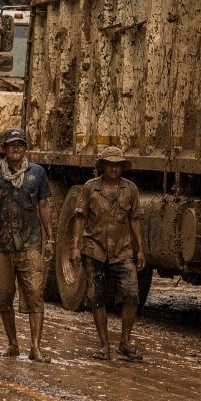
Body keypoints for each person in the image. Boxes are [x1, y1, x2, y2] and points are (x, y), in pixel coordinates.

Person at [0, 127, 54, 362]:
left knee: (34, 295)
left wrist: (50, 239)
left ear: (25, 149)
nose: (16, 149)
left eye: (20, 145)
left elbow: (44, 206)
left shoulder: (37, 173)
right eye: (11, 145)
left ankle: (35, 348)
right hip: (1, 244)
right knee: (3, 295)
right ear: (4, 149)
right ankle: (13, 343)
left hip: (31, 243)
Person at [69, 146, 146, 362]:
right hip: (95, 250)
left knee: (131, 294)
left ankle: (125, 342)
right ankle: (104, 346)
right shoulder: (90, 188)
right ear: (102, 165)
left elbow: (135, 219)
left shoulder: (130, 190)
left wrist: (140, 249)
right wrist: (76, 247)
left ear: (122, 167)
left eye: (118, 164)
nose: (114, 168)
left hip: (122, 250)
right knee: (97, 297)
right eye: (110, 164)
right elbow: (80, 218)